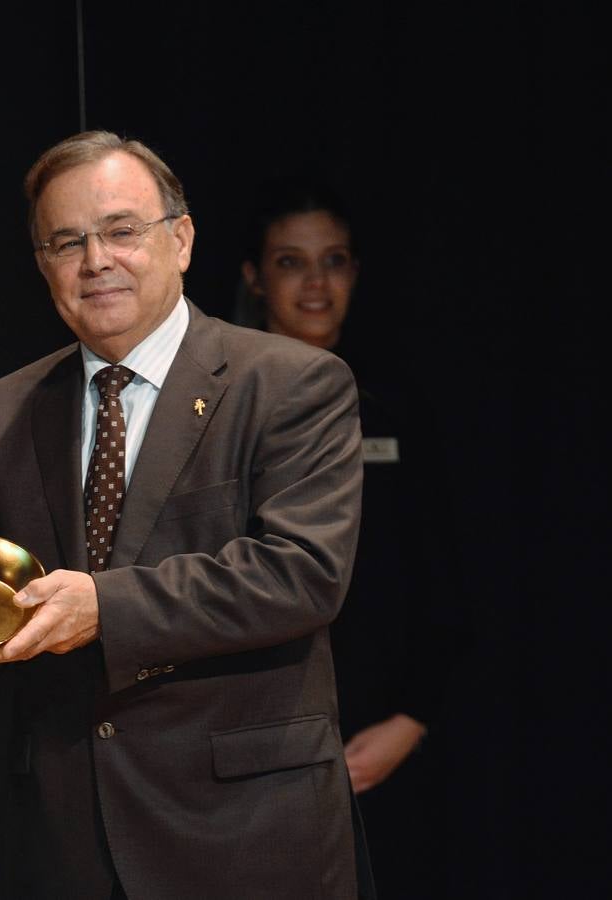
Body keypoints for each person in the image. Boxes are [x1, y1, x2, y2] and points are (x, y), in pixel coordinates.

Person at [0, 130, 369, 899]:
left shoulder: (292, 383)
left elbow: (300, 573)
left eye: (121, 231)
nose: (95, 259)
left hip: (248, 837)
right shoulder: (5, 411)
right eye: (66, 242)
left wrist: (102, 606)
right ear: (42, 267)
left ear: (182, 239)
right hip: (69, 839)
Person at [236, 176, 461, 896]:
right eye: (289, 262)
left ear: (354, 274)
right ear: (252, 275)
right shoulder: (215, 408)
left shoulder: (397, 406)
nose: (312, 284)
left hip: (379, 743)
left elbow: (443, 578)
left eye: (331, 261)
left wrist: (413, 719)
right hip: (251, 749)